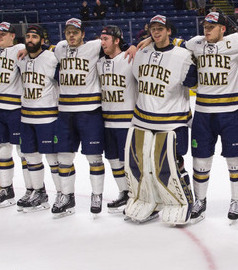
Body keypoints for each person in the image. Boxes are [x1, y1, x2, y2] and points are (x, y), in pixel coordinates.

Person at [184, 11, 238, 222]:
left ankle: (236, 199)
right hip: (204, 113)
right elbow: (172, 44)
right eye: (205, 25)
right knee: (200, 160)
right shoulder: (195, 43)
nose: (206, 29)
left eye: (212, 26)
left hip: (231, 113)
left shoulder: (237, 41)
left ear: (223, 28)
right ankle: (200, 200)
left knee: (235, 160)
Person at [126, 16, 198, 225]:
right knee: (143, 165)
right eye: (153, 29)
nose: (156, 33)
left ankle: (184, 201)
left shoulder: (182, 55)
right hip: (143, 120)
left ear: (169, 31)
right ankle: (152, 201)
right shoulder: (142, 52)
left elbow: (193, 82)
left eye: (160, 29)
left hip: (172, 121)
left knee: (172, 165)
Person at [52, 17, 105, 217]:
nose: (71, 35)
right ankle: (67, 196)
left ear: (83, 33)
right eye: (68, 32)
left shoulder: (94, 46)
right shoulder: (59, 48)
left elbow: (117, 43)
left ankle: (97, 194)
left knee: (94, 157)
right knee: (63, 156)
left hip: (89, 110)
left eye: (75, 32)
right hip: (65, 111)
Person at [14, 24, 59, 212]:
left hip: (47, 115)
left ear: (42, 40)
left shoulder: (51, 56)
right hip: (26, 115)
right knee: (30, 155)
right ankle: (39, 193)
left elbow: (66, 50)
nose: (30, 39)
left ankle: (61, 194)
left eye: (34, 37)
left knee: (52, 158)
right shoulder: (21, 59)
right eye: (28, 36)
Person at [0, 22, 26, 208]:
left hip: (15, 107)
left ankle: (33, 189)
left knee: (23, 151)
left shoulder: (20, 48)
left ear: (13, 35)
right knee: (1, 149)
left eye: (4, 34)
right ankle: (6, 188)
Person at [97, 25, 135, 212]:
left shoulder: (130, 58)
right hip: (106, 121)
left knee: (130, 162)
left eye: (105, 39)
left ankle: (138, 195)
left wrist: (135, 46)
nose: (101, 42)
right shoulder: (99, 62)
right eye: (101, 39)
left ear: (117, 40)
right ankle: (124, 193)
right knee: (113, 159)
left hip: (127, 121)